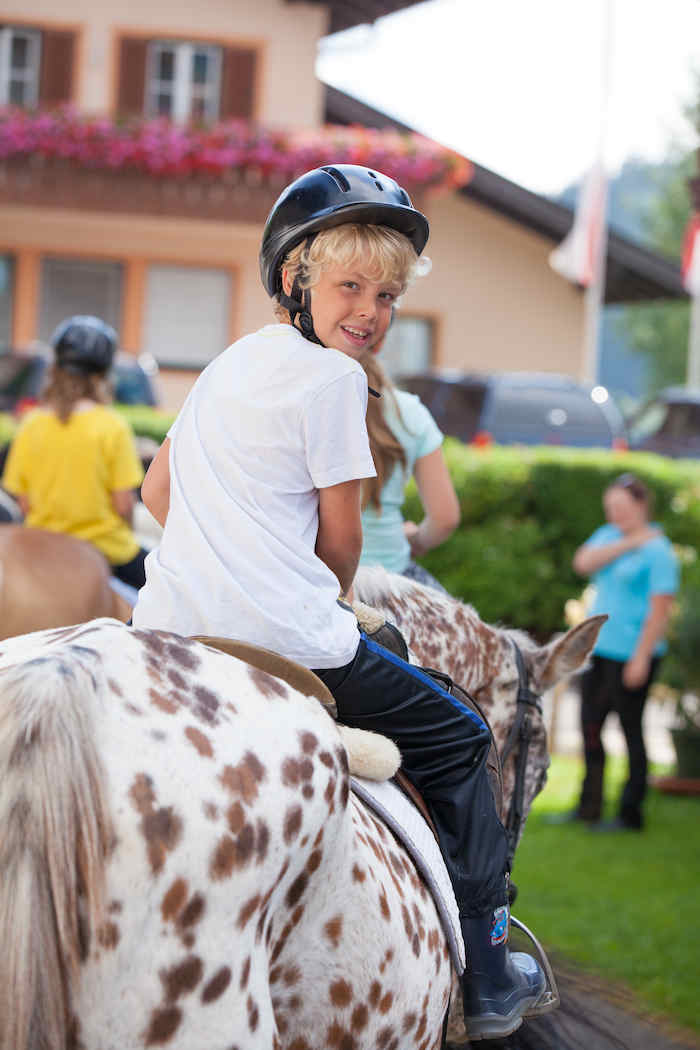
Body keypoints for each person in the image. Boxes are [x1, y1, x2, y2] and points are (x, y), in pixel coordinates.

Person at [132, 164, 547, 1039]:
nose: (370, 310)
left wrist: (229, 550)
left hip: (169, 634)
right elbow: (343, 540)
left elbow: (158, 494)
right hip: (288, 636)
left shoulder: (229, 362)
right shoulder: (333, 382)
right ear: (297, 280)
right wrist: (311, 586)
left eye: (388, 295)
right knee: (466, 736)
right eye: (350, 285)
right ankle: (490, 969)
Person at [2, 315, 148, 590]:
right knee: (161, 603)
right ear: (103, 374)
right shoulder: (112, 426)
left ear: (55, 367)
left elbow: (24, 502)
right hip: (104, 549)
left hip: (41, 547)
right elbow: (124, 504)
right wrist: (126, 532)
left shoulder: (32, 423)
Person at [570, 473, 679, 831]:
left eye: (620, 506)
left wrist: (642, 658)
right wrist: (630, 542)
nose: (613, 513)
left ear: (640, 506)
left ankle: (631, 813)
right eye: (609, 507)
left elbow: (660, 611)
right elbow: (582, 563)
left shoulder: (659, 551)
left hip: (633, 654)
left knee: (630, 730)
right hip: (599, 651)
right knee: (589, 724)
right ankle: (589, 806)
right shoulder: (610, 536)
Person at [357, 340, 460, 591]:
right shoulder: (409, 411)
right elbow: (445, 518)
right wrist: (417, 539)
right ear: (379, 344)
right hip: (394, 584)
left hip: (322, 585)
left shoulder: (302, 404)